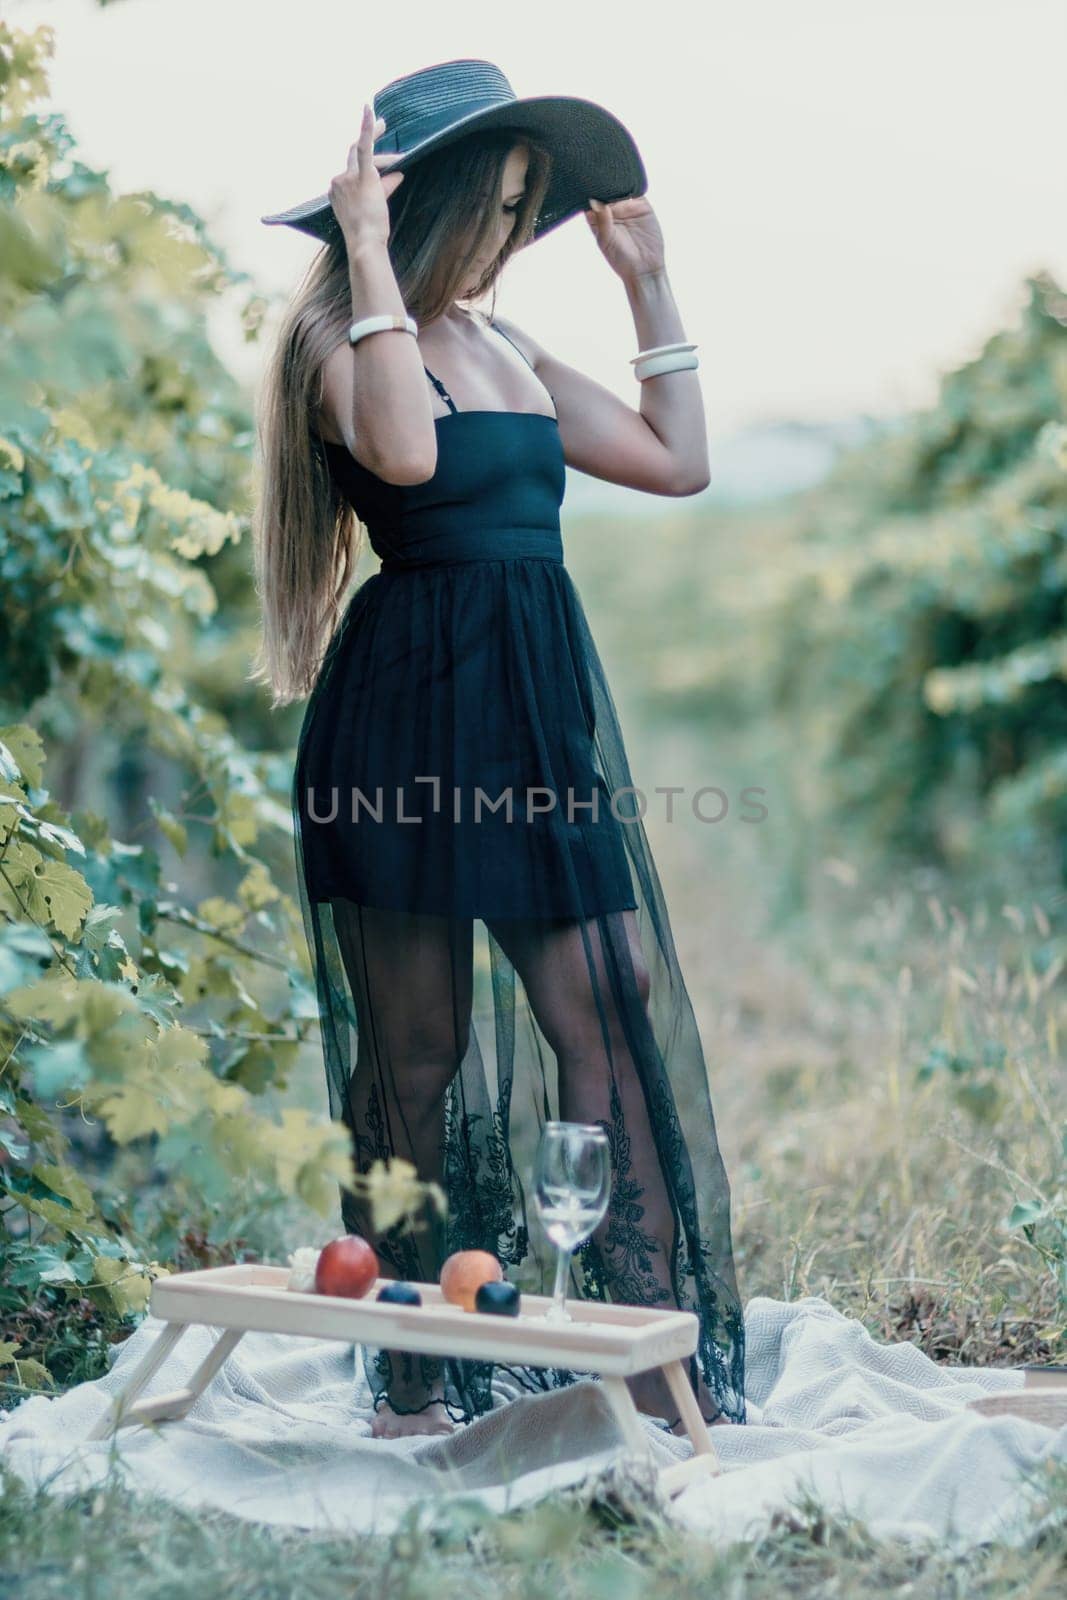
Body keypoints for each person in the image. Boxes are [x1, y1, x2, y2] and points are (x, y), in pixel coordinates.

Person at [252, 59, 747, 1440]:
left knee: (610, 983)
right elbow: (406, 458)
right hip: (410, 710)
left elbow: (675, 457)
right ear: (429, 202)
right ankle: (416, 1365)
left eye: (535, 203)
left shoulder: (511, 345)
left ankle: (641, 1350)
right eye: (504, 197)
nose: (518, 226)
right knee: (415, 1052)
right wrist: (363, 251)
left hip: (533, 708)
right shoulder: (345, 340)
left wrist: (649, 285)